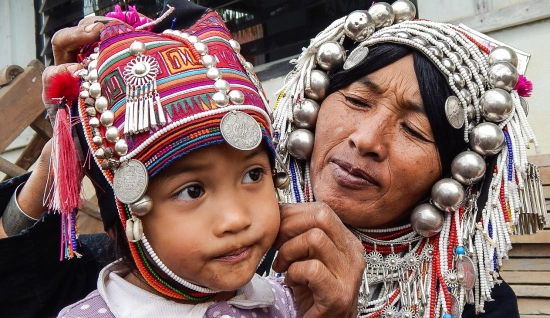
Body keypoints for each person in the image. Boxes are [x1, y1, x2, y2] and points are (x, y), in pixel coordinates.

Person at [1, 0, 546, 317]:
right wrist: (72, 141)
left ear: (457, 168)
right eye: (355, 100)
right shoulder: (165, 260)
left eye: (414, 130)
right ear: (311, 105)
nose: (367, 139)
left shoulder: (472, 302)